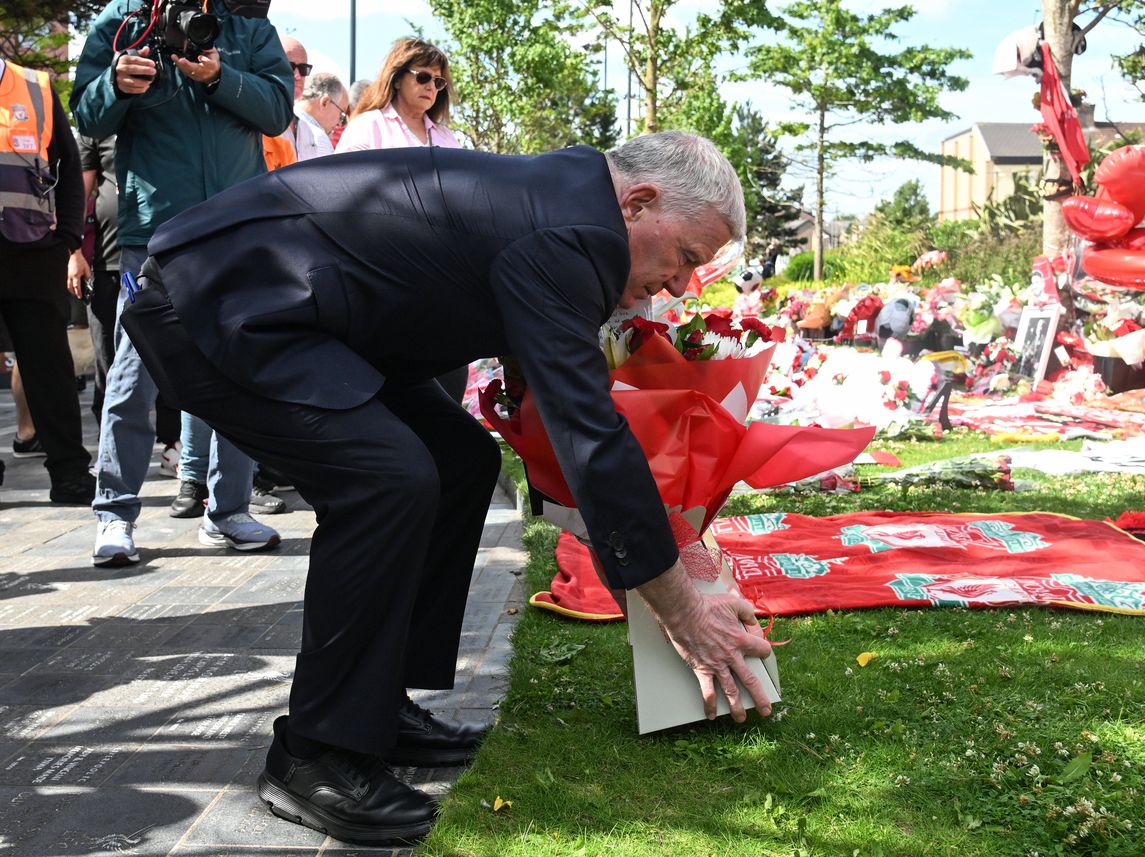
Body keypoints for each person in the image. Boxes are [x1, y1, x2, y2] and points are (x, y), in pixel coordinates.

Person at [119, 131, 772, 846]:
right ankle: (313, 753)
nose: (681, 284)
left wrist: (651, 537)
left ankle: (371, 703)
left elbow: (567, 406)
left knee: (458, 457)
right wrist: (682, 610)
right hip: (218, 301)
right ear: (640, 201)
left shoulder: (573, 204)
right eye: (684, 258)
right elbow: (591, 435)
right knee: (387, 478)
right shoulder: (574, 232)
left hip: (294, 310)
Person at [71, 0, 293, 565]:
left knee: (240, 371)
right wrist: (117, 85)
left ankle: (229, 511)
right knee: (133, 375)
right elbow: (88, 119)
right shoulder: (120, 24)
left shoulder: (248, 29)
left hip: (235, 227)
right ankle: (115, 514)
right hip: (155, 234)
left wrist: (221, 76)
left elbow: (276, 113)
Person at [336, 37, 467, 404]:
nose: (431, 87)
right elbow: (342, 200)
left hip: (441, 281)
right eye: (423, 77)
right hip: (383, 278)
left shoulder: (446, 137)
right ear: (397, 77)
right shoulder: (367, 128)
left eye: (439, 82)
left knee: (448, 389)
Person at [0, 56, 94, 504]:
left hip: (33, 252)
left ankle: (71, 474)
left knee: (50, 368)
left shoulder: (35, 86)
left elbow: (70, 168)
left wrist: (69, 238)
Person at [67, 132, 183, 474]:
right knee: (109, 362)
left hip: (158, 260)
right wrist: (73, 252)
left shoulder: (164, 117)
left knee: (167, 358)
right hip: (106, 265)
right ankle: (109, 452)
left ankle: (172, 445)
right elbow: (78, 194)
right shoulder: (97, 129)